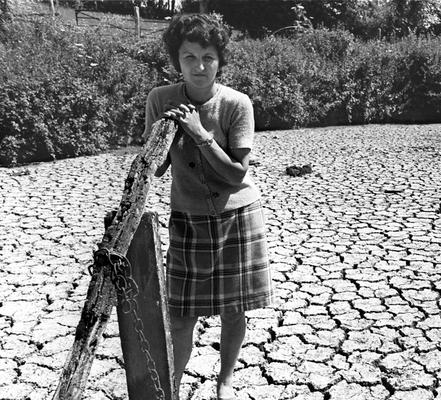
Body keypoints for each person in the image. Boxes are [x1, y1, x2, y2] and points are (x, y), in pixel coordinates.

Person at [143, 13, 273, 400]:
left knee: (234, 310)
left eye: (208, 57)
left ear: (220, 60)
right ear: (176, 60)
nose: (199, 67)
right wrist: (160, 135)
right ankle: (172, 389)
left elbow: (236, 174)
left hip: (237, 215)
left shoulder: (236, 104)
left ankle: (225, 382)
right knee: (181, 316)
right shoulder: (160, 99)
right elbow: (159, 168)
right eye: (189, 57)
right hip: (188, 218)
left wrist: (200, 135)